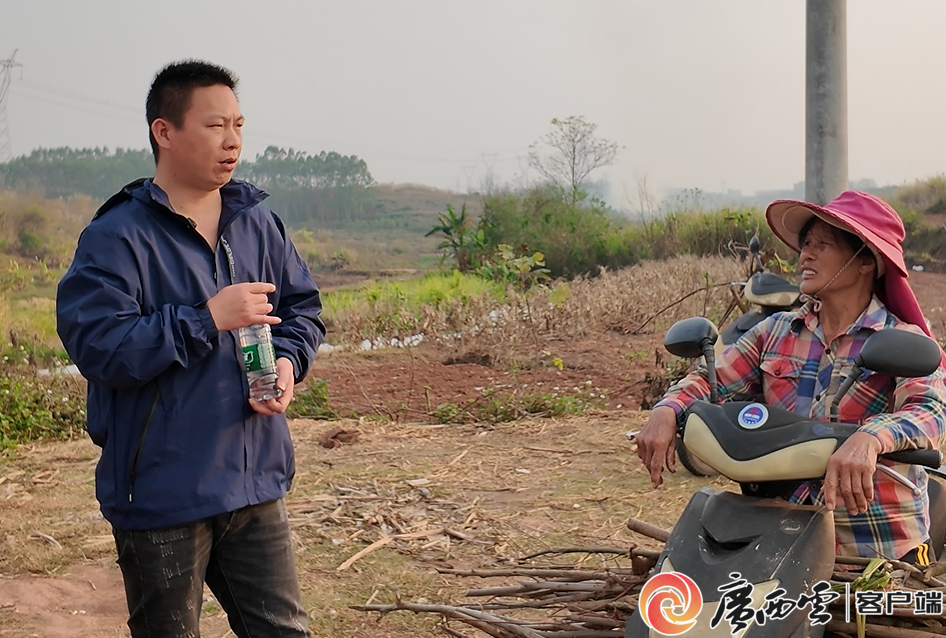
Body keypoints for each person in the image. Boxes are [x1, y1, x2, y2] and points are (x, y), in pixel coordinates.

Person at [56, 60, 324, 637]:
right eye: (214, 125)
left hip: (254, 481)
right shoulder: (117, 236)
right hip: (163, 492)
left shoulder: (257, 223)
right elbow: (100, 347)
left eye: (238, 124)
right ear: (165, 131)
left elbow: (302, 309)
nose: (232, 141)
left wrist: (287, 362)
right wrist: (207, 318)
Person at [636, 190, 946, 565]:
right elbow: (711, 377)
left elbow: (931, 412)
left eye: (821, 245)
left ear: (866, 260)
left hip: (874, 546)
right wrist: (667, 408)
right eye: (805, 244)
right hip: (780, 540)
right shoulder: (775, 332)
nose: (805, 256)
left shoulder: (902, 339)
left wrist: (870, 438)